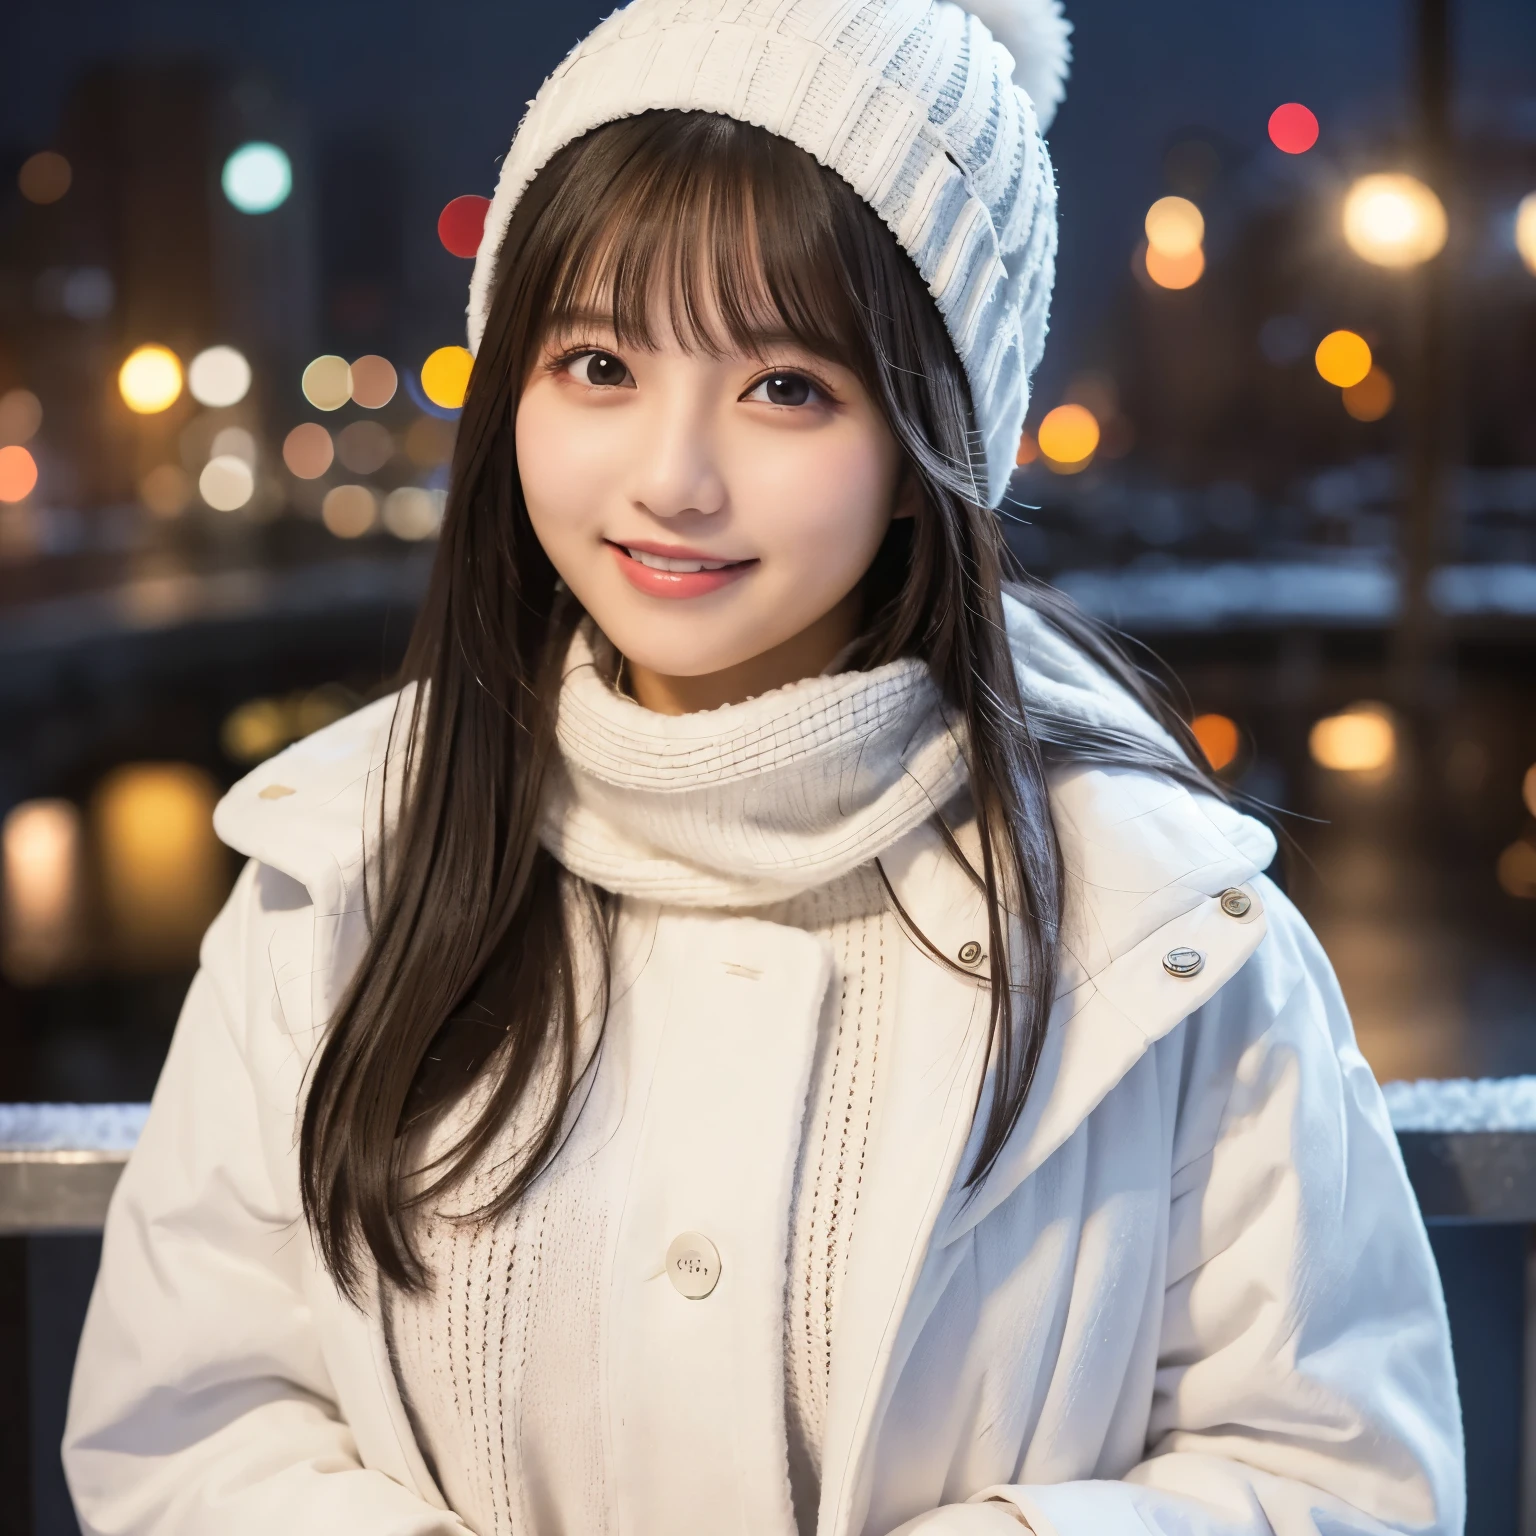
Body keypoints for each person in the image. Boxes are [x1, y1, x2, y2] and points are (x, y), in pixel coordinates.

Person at [63, 1, 1463, 1533]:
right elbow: (190, 1433)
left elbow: (1342, 1478)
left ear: (936, 440)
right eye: (597, 362)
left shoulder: (1169, 938)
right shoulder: (337, 880)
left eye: (785, 386)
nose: (672, 475)